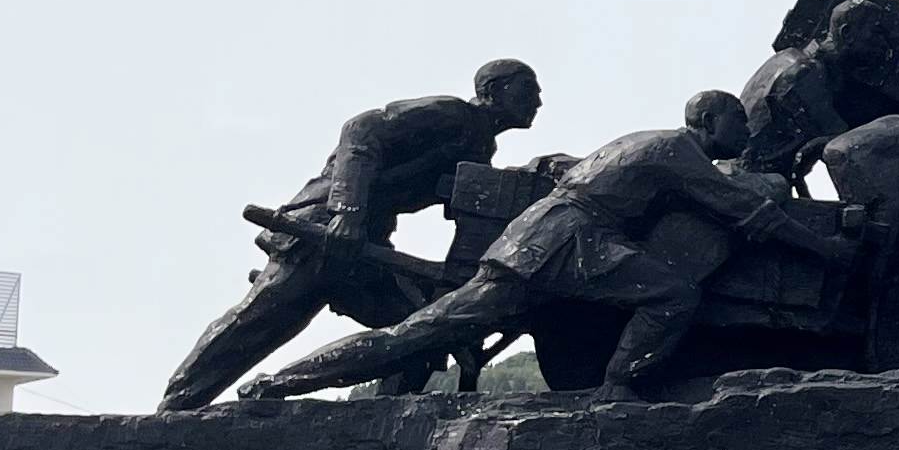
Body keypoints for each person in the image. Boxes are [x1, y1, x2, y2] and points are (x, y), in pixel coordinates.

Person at [239, 90, 812, 401]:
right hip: (569, 240)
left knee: (421, 331)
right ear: (709, 119)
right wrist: (824, 247)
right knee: (673, 295)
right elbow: (739, 206)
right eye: (738, 123)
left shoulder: (643, 143)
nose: (746, 134)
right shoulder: (677, 149)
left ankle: (279, 383)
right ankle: (616, 389)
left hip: (543, 238)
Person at [159, 62, 543, 407]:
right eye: (528, 89)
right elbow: (361, 129)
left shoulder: (479, 148)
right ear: (493, 90)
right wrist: (348, 212)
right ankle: (176, 406)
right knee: (258, 322)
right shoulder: (452, 114)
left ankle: (390, 421)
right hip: (324, 227)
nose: (538, 101)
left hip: (367, 247)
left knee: (423, 333)